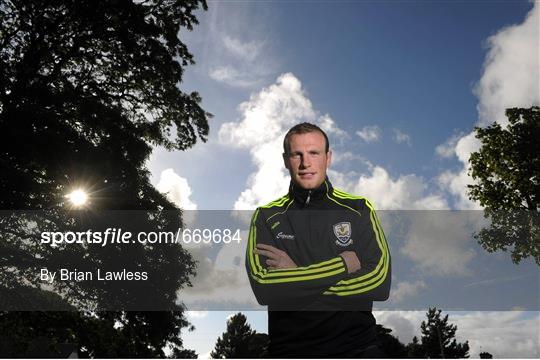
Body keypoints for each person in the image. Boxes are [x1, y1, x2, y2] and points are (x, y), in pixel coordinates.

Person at [245, 122, 391, 358]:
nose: (305, 163)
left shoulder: (358, 209)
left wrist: (295, 277)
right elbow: (264, 287)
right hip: (289, 351)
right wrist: (342, 265)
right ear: (285, 160)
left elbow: (379, 282)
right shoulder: (267, 216)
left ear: (328, 158)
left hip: (357, 349)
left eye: (314, 153)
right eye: (297, 155)